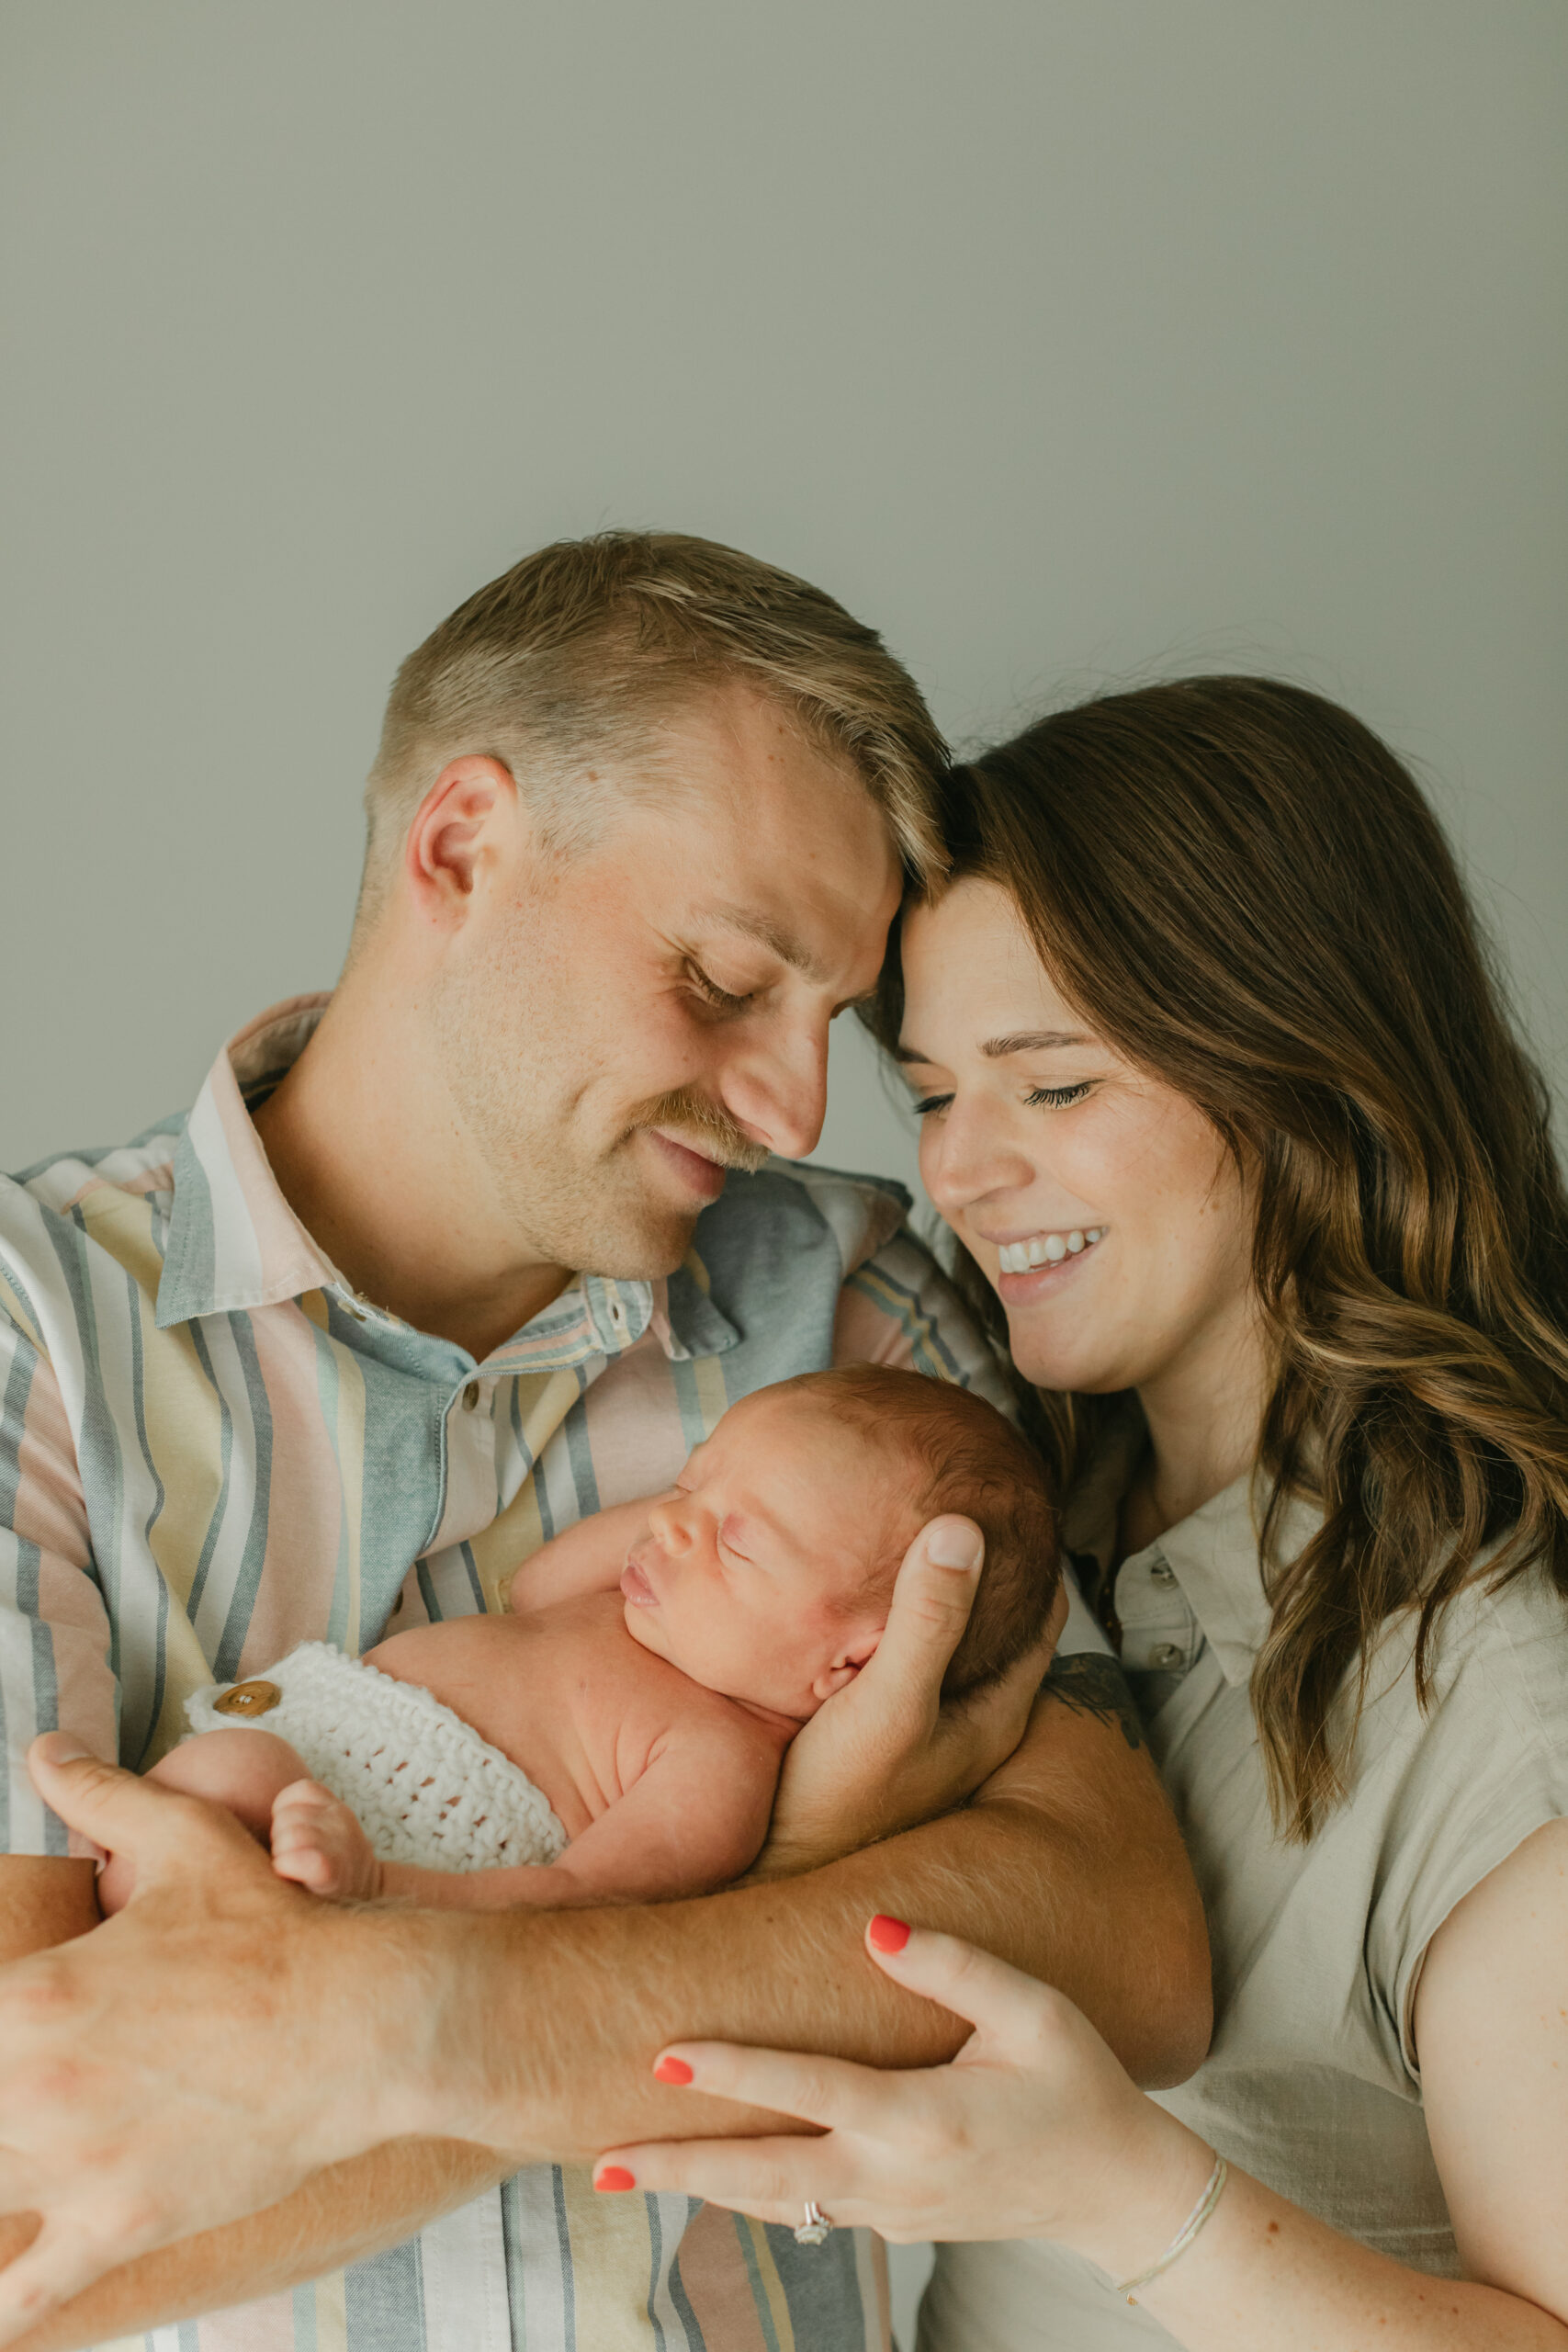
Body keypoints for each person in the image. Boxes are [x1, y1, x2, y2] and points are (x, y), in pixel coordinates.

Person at [0, 537, 1208, 2352]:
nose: (797, 1106)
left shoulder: (860, 1318)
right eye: (727, 980)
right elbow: (33, 2199)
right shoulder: (39, 1337)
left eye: (828, 1026)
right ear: (461, 847)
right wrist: (809, 1872)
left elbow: (1121, 1936)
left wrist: (397, 2017)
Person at [595, 677, 1568, 2349]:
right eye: (933, 1094)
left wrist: (1121, 2196)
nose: (959, 1173)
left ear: (1304, 1080)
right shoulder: (1003, 1516)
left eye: (1050, 1090)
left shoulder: (1496, 1693)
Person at [97, 1367, 1058, 1913]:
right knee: (220, 1776)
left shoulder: (721, 1764)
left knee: (231, 1783)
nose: (671, 1526)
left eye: (737, 1538)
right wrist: (708, 1507)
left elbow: (568, 1899)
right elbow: (538, 1582)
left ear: (852, 1664)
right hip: (306, 1745)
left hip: (384, 1846)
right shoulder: (635, 1609)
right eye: (687, 1483)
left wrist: (383, 1885)